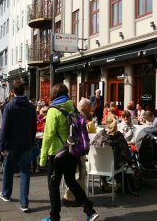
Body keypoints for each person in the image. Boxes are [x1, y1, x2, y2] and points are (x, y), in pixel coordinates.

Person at [40, 83, 99, 221]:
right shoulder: (73, 108)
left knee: (53, 185)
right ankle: (90, 211)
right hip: (72, 152)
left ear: (54, 95)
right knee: (71, 181)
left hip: (57, 154)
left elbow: (48, 136)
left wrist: (42, 158)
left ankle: (54, 217)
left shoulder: (53, 110)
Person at [0, 81, 37, 213]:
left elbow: (4, 128)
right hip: (26, 144)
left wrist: (1, 145)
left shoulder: (9, 107)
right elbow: (33, 128)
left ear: (13, 91)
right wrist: (31, 142)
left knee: (8, 170)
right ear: (24, 90)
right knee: (25, 173)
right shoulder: (31, 107)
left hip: (11, 145)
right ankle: (24, 203)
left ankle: (6, 194)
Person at [62, 98, 94, 207]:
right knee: (78, 174)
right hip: (78, 149)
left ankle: (79, 197)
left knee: (78, 174)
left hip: (73, 148)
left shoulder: (74, 114)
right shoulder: (81, 117)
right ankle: (71, 198)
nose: (91, 109)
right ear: (86, 107)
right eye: (90, 107)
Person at [91, 114, 132, 192]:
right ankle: (119, 182)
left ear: (106, 123)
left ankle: (104, 182)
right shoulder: (119, 137)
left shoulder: (100, 135)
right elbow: (125, 152)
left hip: (99, 165)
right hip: (114, 166)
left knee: (102, 158)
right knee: (120, 158)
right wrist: (129, 160)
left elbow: (92, 147)